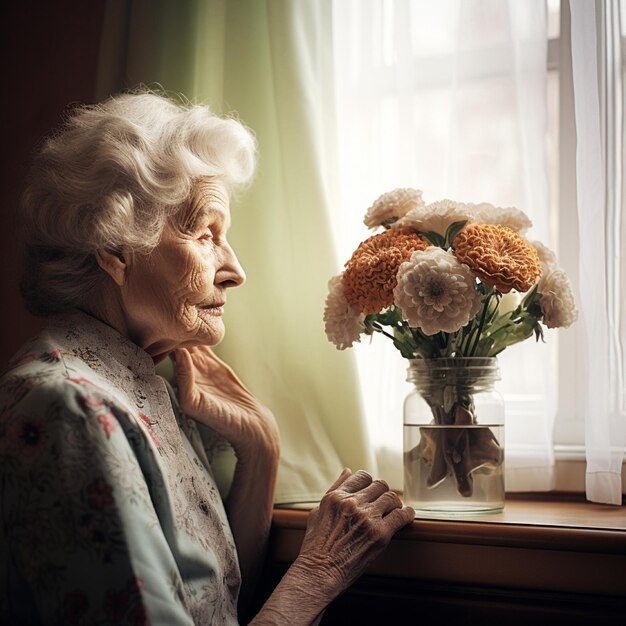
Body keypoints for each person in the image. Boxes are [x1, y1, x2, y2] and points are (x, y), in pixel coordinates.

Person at [0, 89, 415, 625]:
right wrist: (318, 571)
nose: (235, 270)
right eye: (204, 235)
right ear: (115, 248)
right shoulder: (69, 407)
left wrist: (260, 448)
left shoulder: (137, 386)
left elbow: (218, 606)